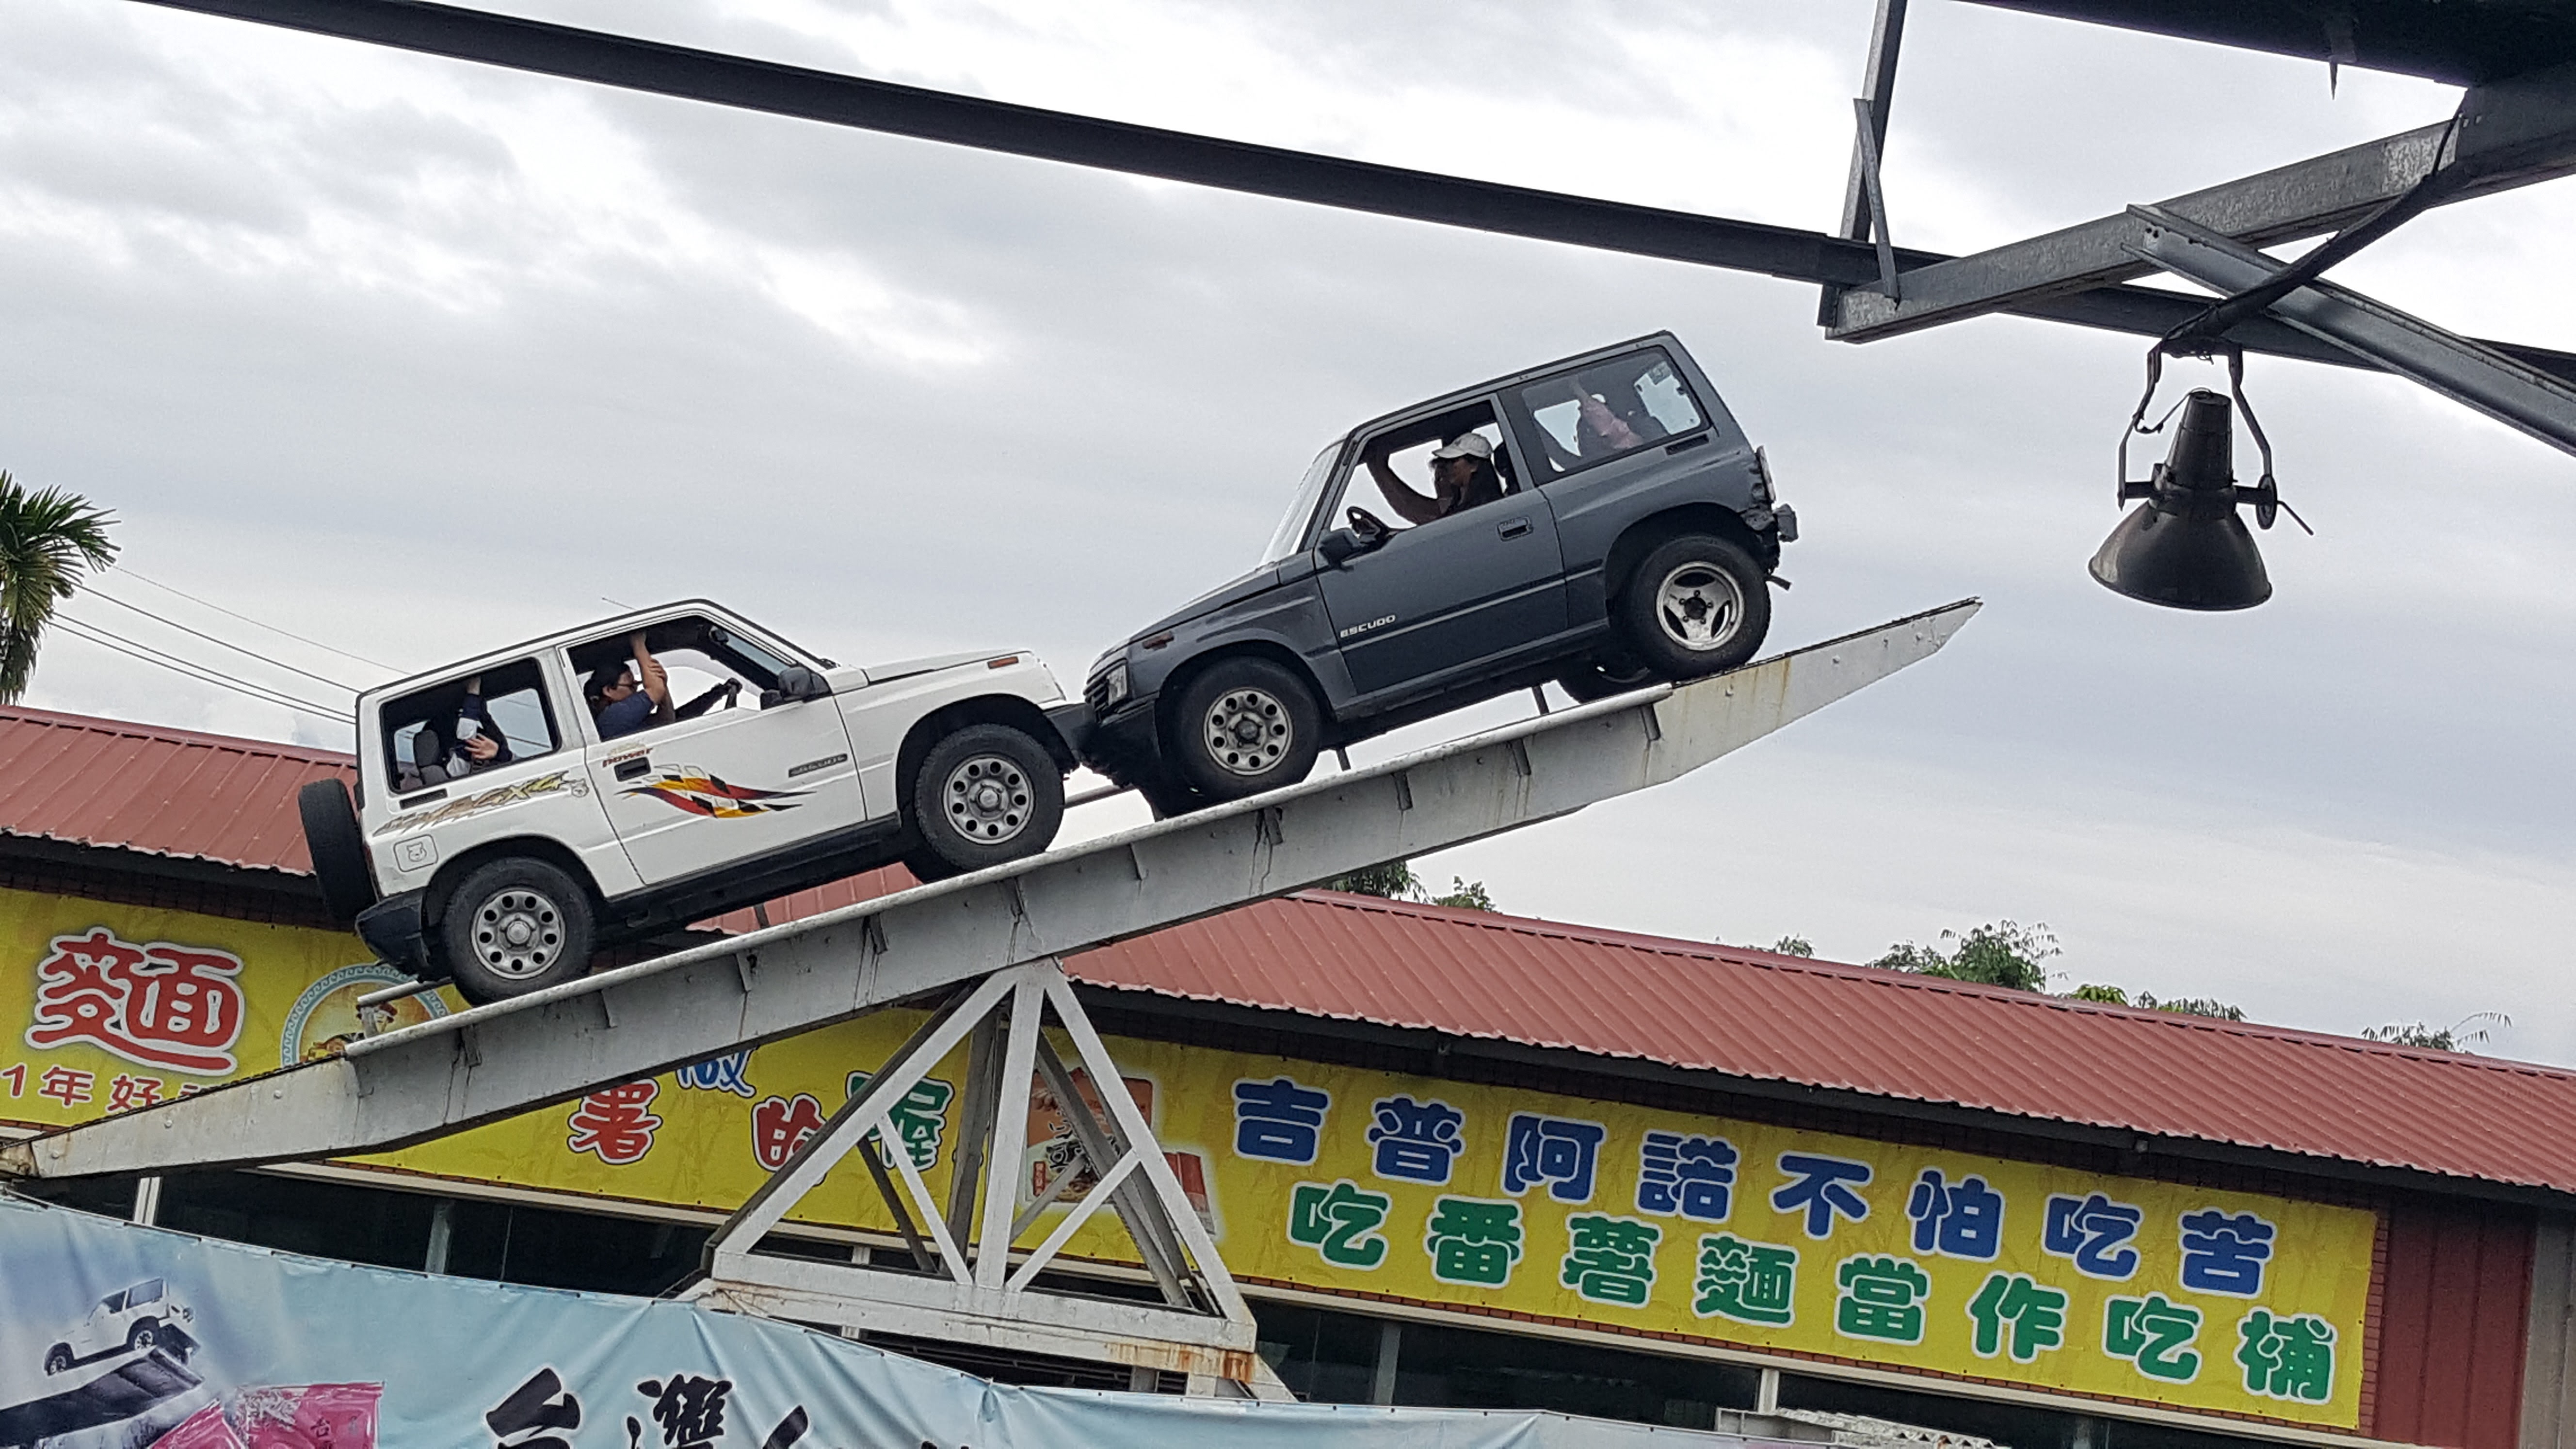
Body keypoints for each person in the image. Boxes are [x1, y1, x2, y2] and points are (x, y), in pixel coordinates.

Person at [1364, 431, 1506, 526]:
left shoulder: (1481, 509)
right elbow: (1414, 510)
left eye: (1454, 461)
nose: (1449, 469)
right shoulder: (1460, 503)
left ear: (1474, 465)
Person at [586, 631, 671, 741]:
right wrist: (638, 644)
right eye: (631, 686)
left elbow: (666, 721)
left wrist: (663, 684)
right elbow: (656, 689)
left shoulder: (625, 717)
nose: (636, 690)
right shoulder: (614, 716)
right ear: (609, 690)